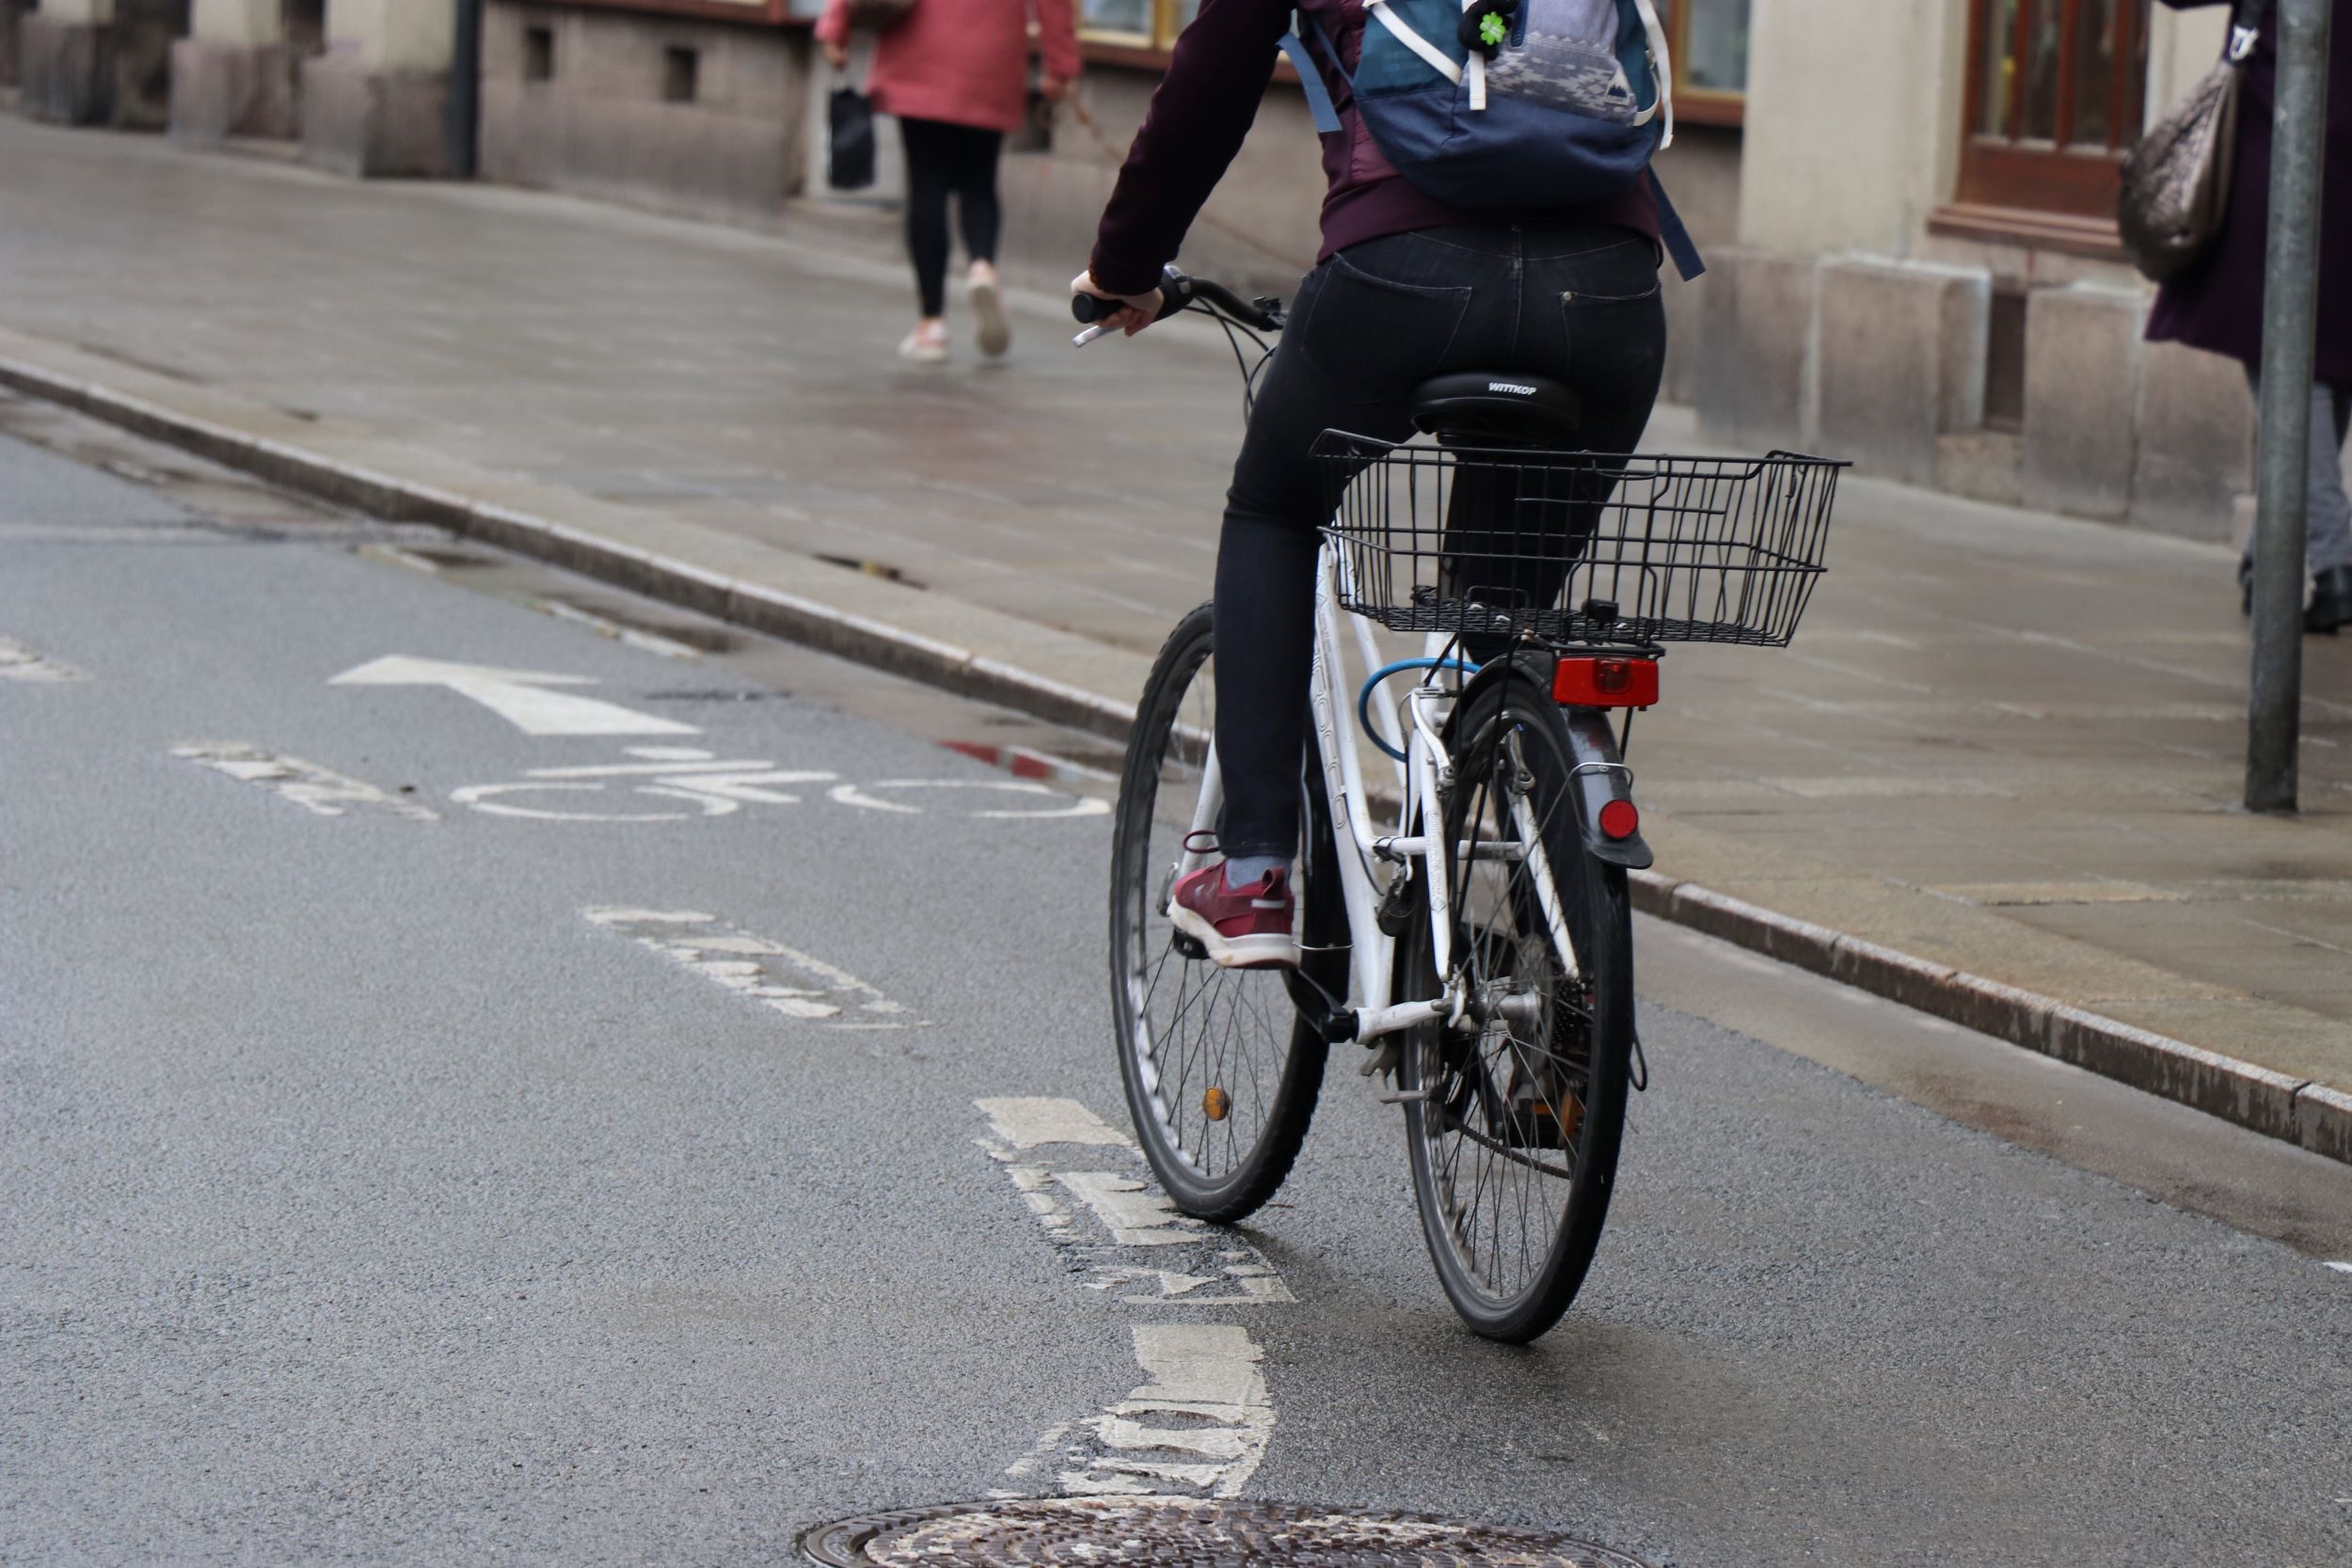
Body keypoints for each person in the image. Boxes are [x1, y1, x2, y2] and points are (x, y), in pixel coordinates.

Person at [1073, 0, 1668, 968]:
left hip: (1403, 272)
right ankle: (1569, 986)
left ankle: (1252, 869)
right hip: (1607, 294)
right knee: (1508, 617)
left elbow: (1208, 83)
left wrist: (1122, 265)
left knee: (1274, 509)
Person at [2149, 0, 2352, 633]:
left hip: (2282, 152)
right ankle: (2269, 558)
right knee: (2326, 361)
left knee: (2290, 364)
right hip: (2329, 155)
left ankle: (2336, 558)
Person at [819, 0, 1080, 363]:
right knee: (980, 180)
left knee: (927, 185)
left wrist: (836, 26)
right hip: (992, 54)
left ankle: (932, 326)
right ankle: (982, 266)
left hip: (919, 46)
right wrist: (1061, 64)